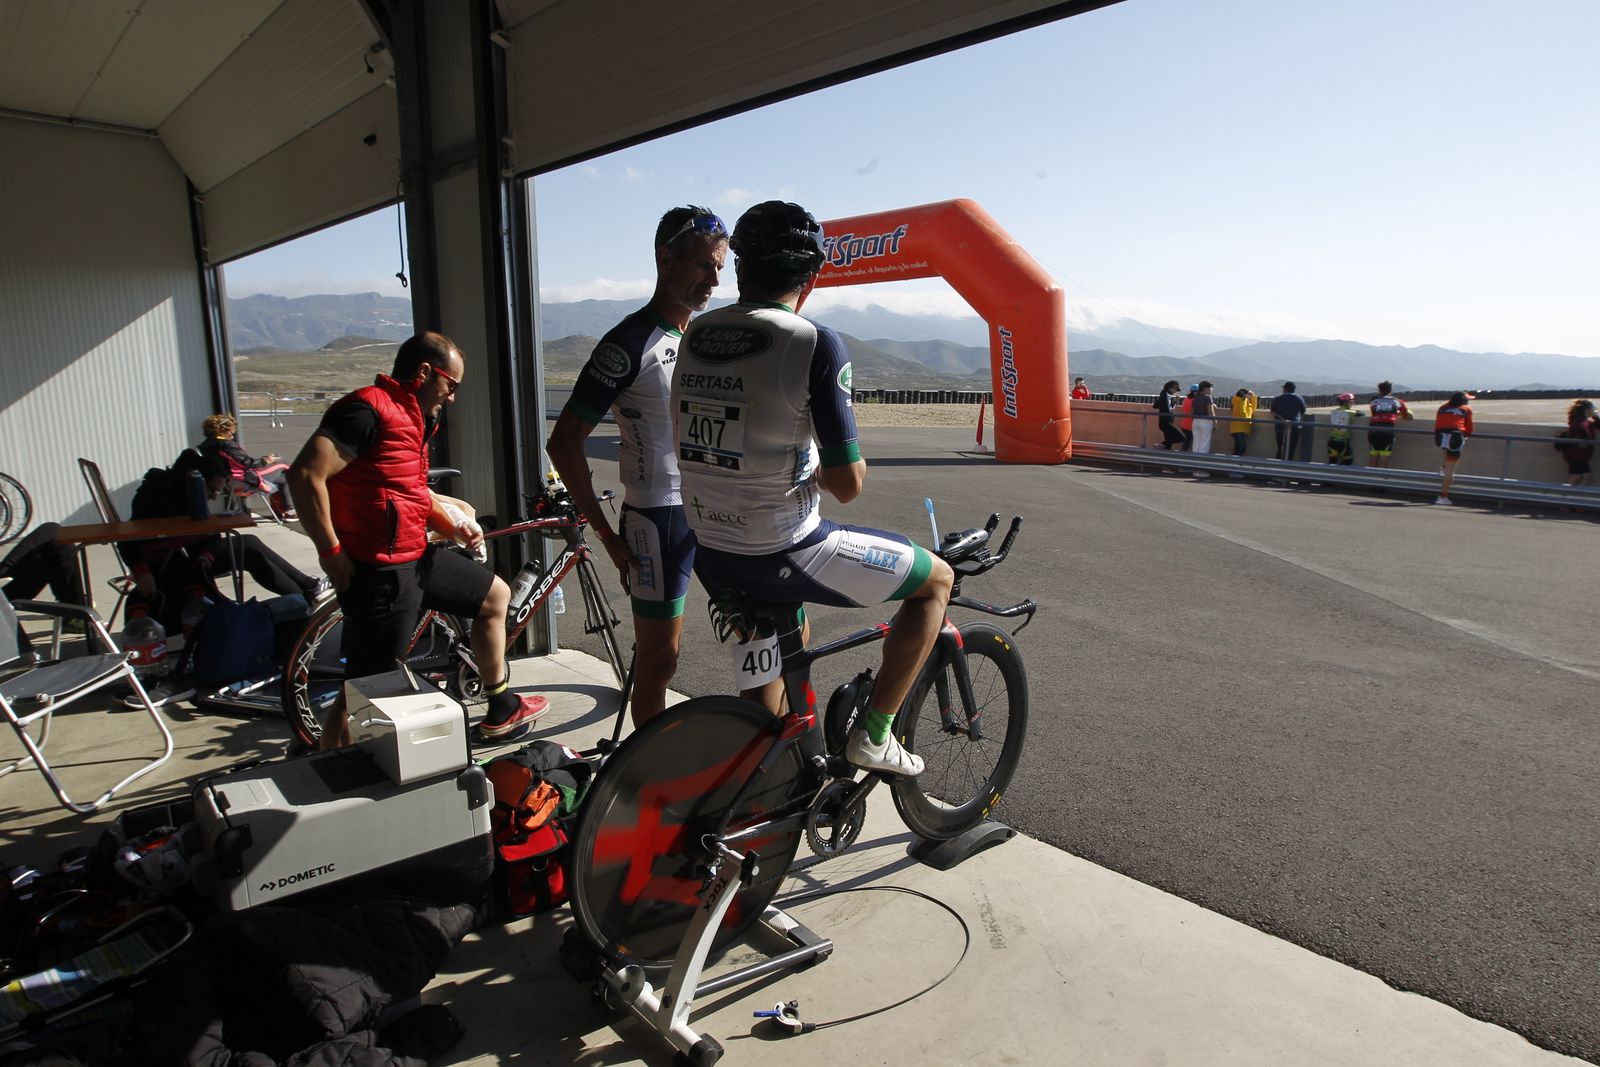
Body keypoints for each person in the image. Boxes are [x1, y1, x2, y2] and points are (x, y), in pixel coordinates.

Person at [671, 200, 955, 777]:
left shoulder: (696, 331)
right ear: (814, 276)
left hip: (710, 548)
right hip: (782, 547)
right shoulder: (813, 342)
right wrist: (812, 470)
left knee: (771, 665)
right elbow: (848, 485)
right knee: (936, 583)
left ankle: (773, 777)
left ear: (741, 268)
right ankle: (873, 737)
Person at [288, 331, 547, 746]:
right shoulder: (366, 411)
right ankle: (328, 760)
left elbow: (409, 493)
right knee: (366, 688)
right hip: (380, 572)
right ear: (426, 372)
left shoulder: (415, 420)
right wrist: (330, 551)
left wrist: (452, 526)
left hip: (417, 558)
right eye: (452, 385)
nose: (453, 396)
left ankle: (501, 704)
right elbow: (304, 476)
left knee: (494, 597)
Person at [546, 206, 727, 728]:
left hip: (712, 515)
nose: (714, 279)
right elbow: (564, 443)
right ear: (665, 259)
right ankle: (648, 774)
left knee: (757, 633)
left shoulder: (700, 339)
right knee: (659, 662)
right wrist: (604, 534)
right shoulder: (626, 344)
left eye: (720, 267)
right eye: (702, 265)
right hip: (657, 521)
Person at [198, 413, 295, 521]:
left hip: (228, 484)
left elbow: (236, 462)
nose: (232, 434)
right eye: (231, 430)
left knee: (284, 479)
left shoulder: (205, 446)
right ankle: (292, 507)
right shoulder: (226, 445)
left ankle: (289, 510)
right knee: (282, 461)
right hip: (244, 481)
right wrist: (266, 460)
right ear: (222, 430)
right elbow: (247, 463)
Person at [1433, 391, 1474, 505]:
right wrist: (1464, 436)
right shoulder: (1466, 409)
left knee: (1446, 449)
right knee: (1451, 469)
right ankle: (1442, 496)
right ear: (1464, 401)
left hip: (1440, 436)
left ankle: (1443, 467)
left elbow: (1439, 425)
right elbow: (1470, 428)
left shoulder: (1442, 407)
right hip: (1455, 437)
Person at [1366, 381, 1413, 469]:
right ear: (1390, 390)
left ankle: (1371, 479)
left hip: (1373, 430)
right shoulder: (1397, 401)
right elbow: (1409, 417)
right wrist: (1398, 414)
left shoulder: (1374, 400)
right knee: (1384, 460)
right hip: (1387, 431)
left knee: (1373, 457)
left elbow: (1376, 413)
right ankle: (1383, 480)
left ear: (1379, 390)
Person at [1558, 398, 1598, 488]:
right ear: (1587, 410)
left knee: (1586, 476)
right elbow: (1575, 431)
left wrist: (1595, 416)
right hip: (1576, 455)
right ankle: (1561, 495)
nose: (1595, 410)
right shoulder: (1580, 422)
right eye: (1593, 408)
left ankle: (1572, 495)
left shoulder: (1585, 420)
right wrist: (1584, 440)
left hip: (1582, 455)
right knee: (1575, 477)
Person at [1269, 381, 1307, 460]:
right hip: (1294, 426)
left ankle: (1278, 464)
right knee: (1290, 448)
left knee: (1280, 447)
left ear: (1285, 389)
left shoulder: (1278, 398)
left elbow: (1272, 410)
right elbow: (1303, 411)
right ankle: (1287, 464)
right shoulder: (1299, 398)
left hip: (1280, 426)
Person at [1326, 392, 1362, 465]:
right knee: (1348, 461)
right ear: (1346, 403)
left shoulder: (1334, 411)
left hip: (1332, 441)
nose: (1352, 404)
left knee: (1332, 462)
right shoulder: (1348, 412)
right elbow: (1361, 413)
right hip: (1343, 442)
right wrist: (1356, 411)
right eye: (1351, 402)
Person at [1153, 381, 1187, 452]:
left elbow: (1155, 405)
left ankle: (1163, 453)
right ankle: (1162, 444)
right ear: (1170, 387)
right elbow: (1169, 410)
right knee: (1182, 438)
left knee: (1168, 447)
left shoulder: (1164, 394)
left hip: (1164, 422)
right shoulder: (1166, 395)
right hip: (1167, 423)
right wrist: (1175, 402)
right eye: (1175, 389)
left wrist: (1173, 402)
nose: (1175, 391)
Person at [1190, 381, 1217, 463]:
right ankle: (1201, 466)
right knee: (1204, 444)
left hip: (1195, 421)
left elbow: (1192, 411)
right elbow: (1211, 412)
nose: (1211, 390)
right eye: (1210, 388)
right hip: (1205, 421)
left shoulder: (1195, 397)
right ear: (1206, 388)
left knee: (1196, 443)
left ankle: (1194, 465)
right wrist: (1215, 422)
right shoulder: (1208, 397)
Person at [1228, 388, 1258, 457]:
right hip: (1239, 427)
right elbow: (1242, 412)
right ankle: (1234, 462)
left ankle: (1236, 462)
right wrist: (1248, 420)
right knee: (1240, 447)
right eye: (1249, 394)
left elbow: (1253, 408)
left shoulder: (1246, 401)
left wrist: (1254, 397)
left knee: (1242, 447)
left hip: (1243, 428)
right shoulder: (1240, 400)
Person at [1178, 385, 1197, 452]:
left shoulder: (1186, 400)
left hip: (1185, 424)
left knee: (1186, 443)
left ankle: (1182, 457)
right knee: (1189, 443)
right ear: (1195, 392)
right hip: (1191, 425)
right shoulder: (1195, 400)